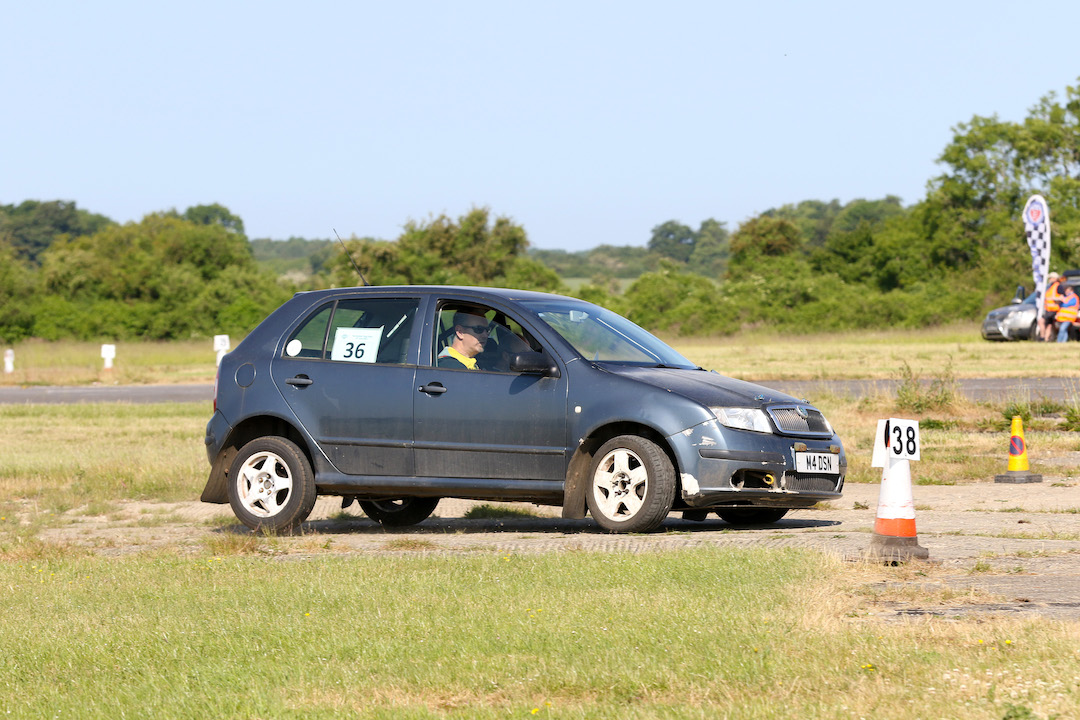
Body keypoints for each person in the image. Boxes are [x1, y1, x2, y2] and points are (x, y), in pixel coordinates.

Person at [1040, 272, 1063, 342]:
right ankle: (1046, 339)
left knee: (1042, 322)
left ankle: (1043, 338)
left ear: (1055, 278)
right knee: (1049, 324)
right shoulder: (1051, 286)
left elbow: (1062, 297)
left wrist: (1057, 300)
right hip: (1048, 309)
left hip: (1053, 309)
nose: (1049, 279)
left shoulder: (1058, 286)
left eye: (1050, 278)